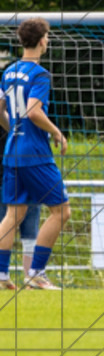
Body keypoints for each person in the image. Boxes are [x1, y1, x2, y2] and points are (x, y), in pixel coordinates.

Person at [0, 18, 70, 290]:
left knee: (13, 215)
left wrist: (15, 128)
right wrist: (57, 132)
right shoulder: (40, 74)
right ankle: (36, 273)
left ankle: (2, 276)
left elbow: (1, 110)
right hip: (35, 154)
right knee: (61, 212)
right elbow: (34, 111)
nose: (48, 41)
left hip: (12, 151)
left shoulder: (9, 71)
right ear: (41, 40)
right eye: (48, 36)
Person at [0, 119, 40, 280]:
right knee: (10, 224)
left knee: (29, 232)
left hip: (26, 173)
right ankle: (6, 275)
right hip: (10, 176)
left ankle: (30, 276)